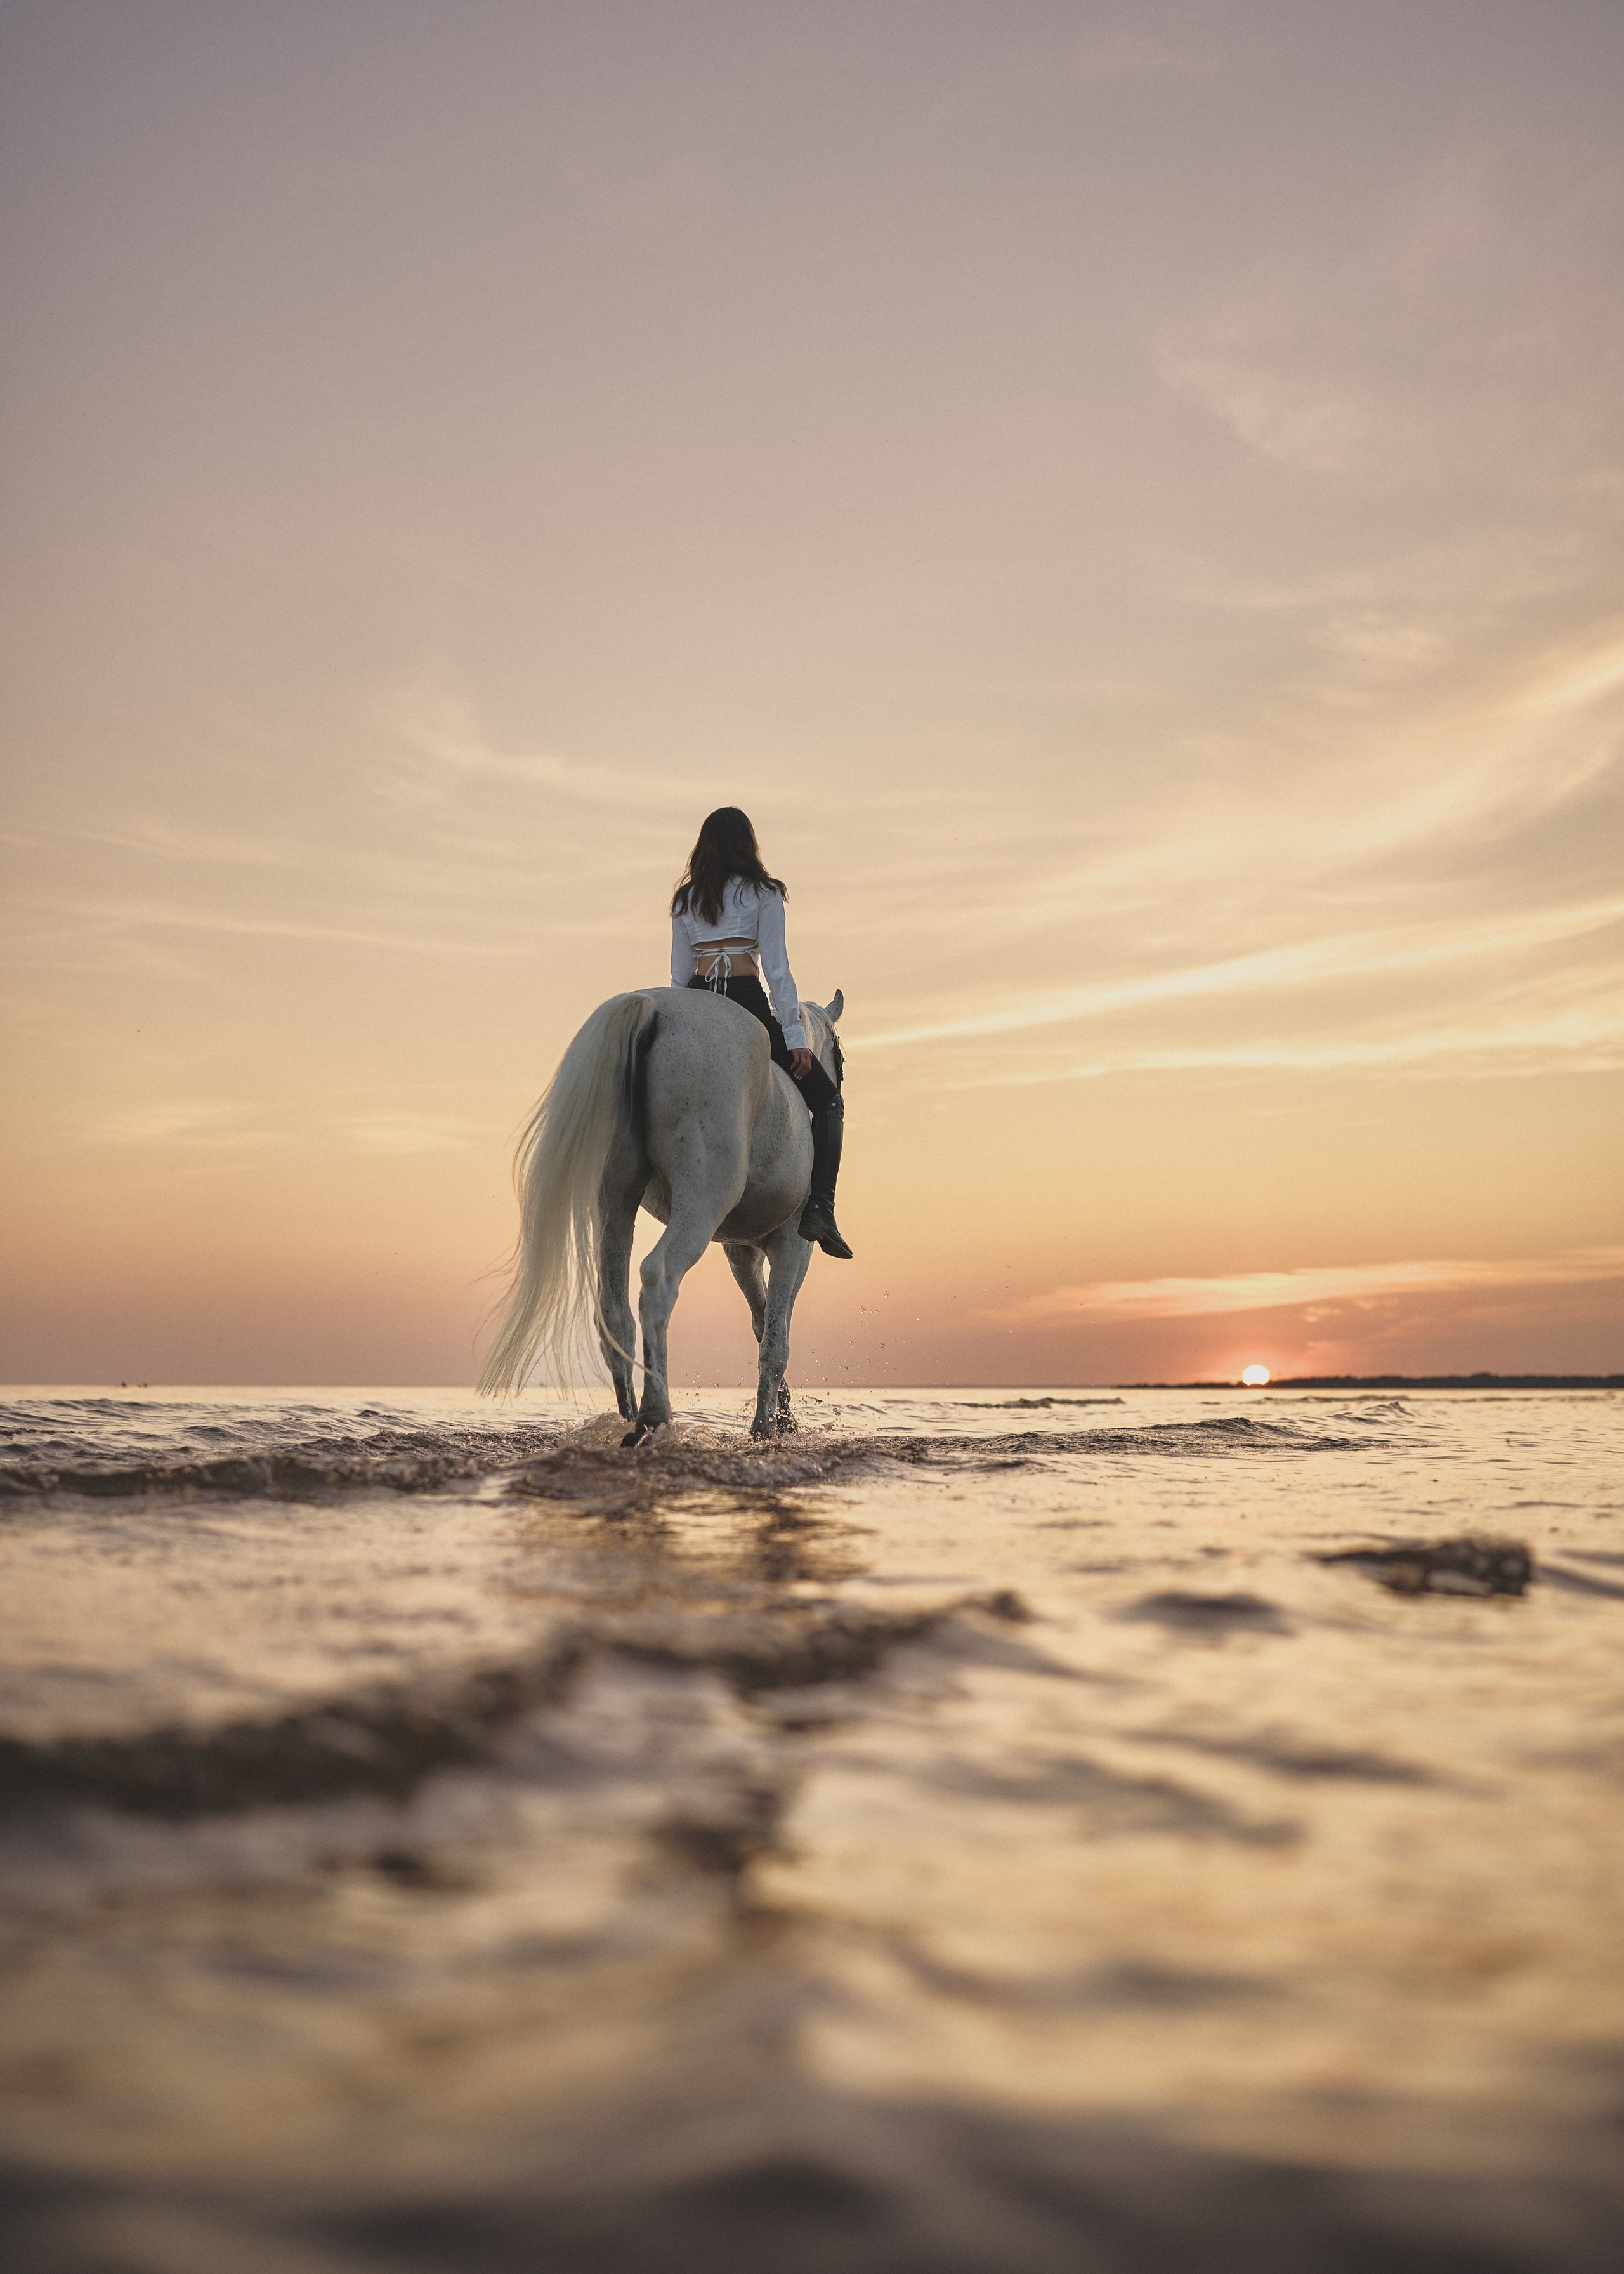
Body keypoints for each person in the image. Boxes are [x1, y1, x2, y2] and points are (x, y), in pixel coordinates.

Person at [669, 807, 851, 1259]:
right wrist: (795, 1037)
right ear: (748, 844)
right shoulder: (765, 893)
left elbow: (677, 976)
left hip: (696, 1002)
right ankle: (821, 1208)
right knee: (829, 1102)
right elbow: (778, 970)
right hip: (746, 1001)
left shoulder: (685, 900)